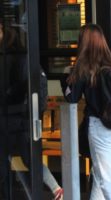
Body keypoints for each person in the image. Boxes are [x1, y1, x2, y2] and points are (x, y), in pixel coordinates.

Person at [61, 24, 111, 200]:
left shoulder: (84, 67)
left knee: (106, 178)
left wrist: (65, 78)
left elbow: (71, 97)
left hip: (101, 128)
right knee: (100, 174)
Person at [0, 19, 63, 200]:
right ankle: (54, 189)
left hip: (18, 120)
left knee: (29, 160)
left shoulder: (20, 58)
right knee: (24, 161)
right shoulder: (15, 56)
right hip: (14, 120)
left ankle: (54, 189)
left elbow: (34, 88)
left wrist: (32, 114)